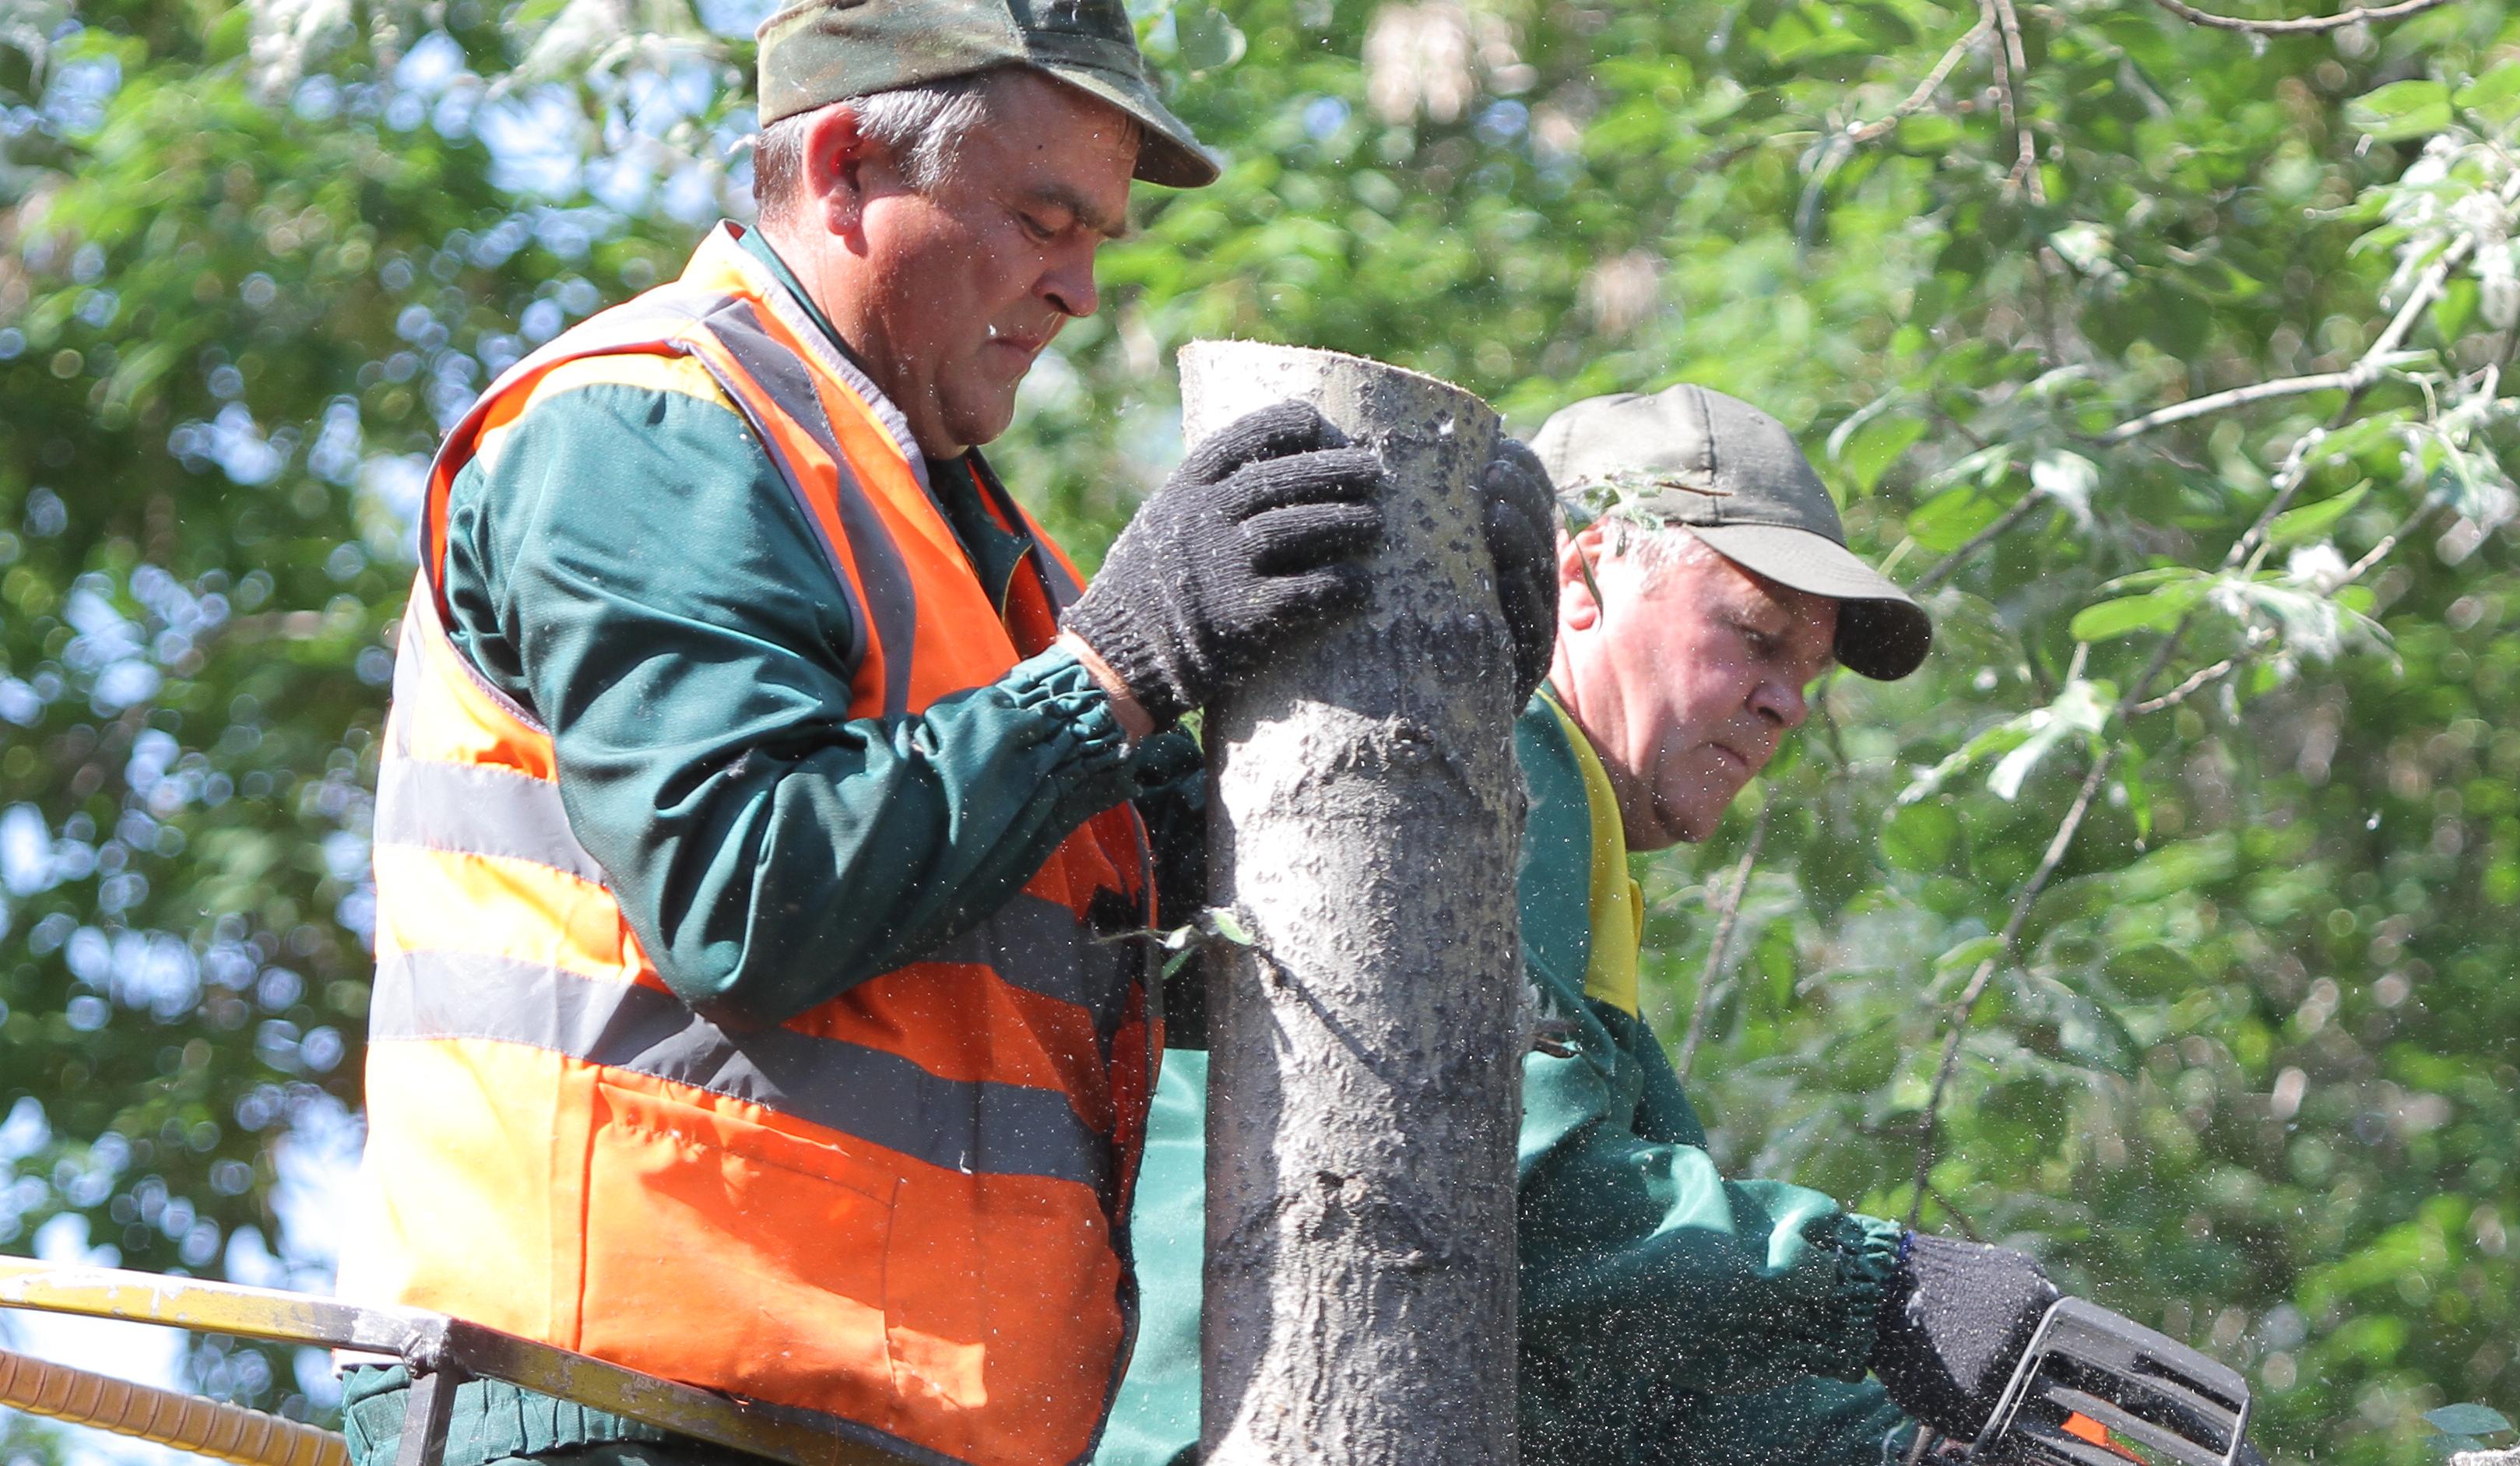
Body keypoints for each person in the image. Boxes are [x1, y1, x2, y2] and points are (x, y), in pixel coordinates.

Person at [341, 3, 1546, 1463]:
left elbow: (1197, 960)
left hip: (872, 1424)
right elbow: (744, 890)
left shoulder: (998, 569)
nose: (1082, 289)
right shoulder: (642, 432)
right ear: (845, 166)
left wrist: (1428, 666)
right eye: (1045, 221)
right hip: (619, 1409)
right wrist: (1112, 671)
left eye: (1099, 237)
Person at [1098, 386, 2091, 1466]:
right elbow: (1507, 1190)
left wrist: (1905, 1455)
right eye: (1755, 640)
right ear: (1582, 575)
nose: (1789, 705)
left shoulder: (1578, 850)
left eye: (1807, 677)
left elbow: (1604, 1356)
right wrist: (1873, 1281)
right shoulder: (1501, 767)